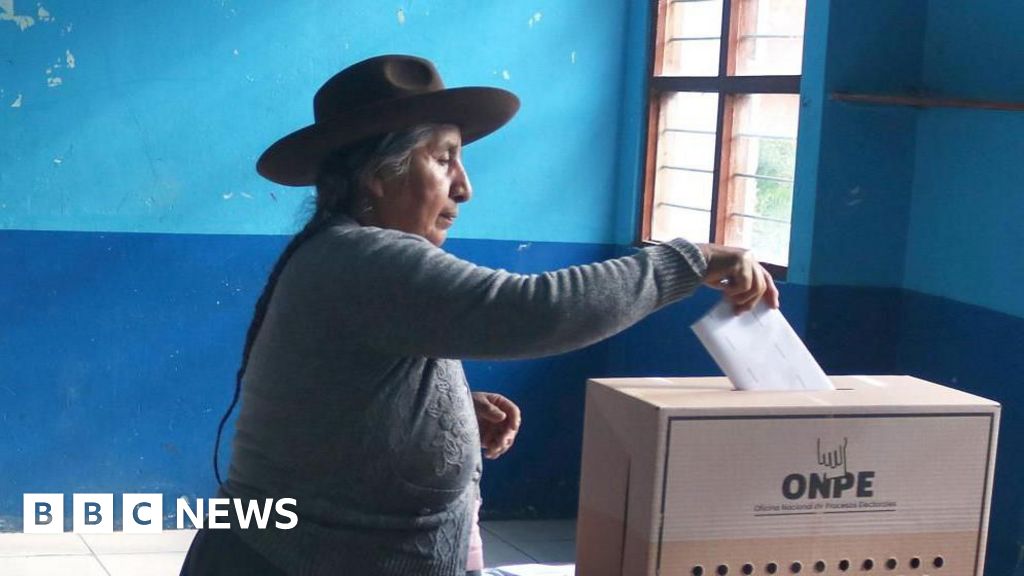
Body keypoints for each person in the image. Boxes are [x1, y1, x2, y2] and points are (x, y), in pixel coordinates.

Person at [179, 54, 778, 576]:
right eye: (444, 160)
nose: (463, 188)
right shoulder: (362, 258)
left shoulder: (350, 256)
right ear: (377, 176)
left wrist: (444, 414)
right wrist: (685, 261)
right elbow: (532, 310)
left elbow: (336, 396)